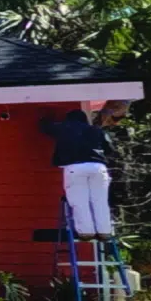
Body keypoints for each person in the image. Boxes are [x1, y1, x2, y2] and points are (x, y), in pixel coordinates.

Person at [41, 99, 130, 238]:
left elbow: (46, 127)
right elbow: (110, 150)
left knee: (79, 200)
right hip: (99, 167)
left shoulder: (64, 127)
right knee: (100, 200)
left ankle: (86, 232)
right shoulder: (96, 131)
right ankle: (105, 231)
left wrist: (45, 118)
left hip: (75, 167)